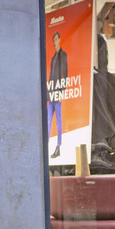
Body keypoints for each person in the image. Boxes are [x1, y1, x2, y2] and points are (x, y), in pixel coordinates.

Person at [47, 31, 68, 159]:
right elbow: (50, 77)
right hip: (51, 93)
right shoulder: (53, 58)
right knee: (48, 120)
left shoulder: (63, 55)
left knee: (58, 121)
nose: (55, 42)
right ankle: (48, 145)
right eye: (53, 40)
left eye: (56, 39)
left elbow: (65, 74)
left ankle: (58, 147)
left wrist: (62, 92)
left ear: (59, 39)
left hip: (58, 92)